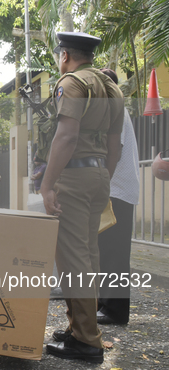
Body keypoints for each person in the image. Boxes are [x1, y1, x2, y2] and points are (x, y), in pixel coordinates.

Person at [41, 32, 124, 363]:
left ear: (65, 55)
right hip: (99, 174)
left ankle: (87, 341)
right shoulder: (112, 88)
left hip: (74, 177)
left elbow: (67, 136)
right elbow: (115, 145)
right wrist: (103, 177)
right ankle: (78, 330)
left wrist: (48, 185)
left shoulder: (72, 83)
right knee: (88, 256)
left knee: (73, 260)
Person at [97, 68, 139, 325]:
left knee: (114, 252)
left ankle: (115, 311)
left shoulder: (115, 110)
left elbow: (114, 150)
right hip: (117, 189)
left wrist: (100, 184)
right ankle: (106, 304)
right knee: (106, 250)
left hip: (117, 191)